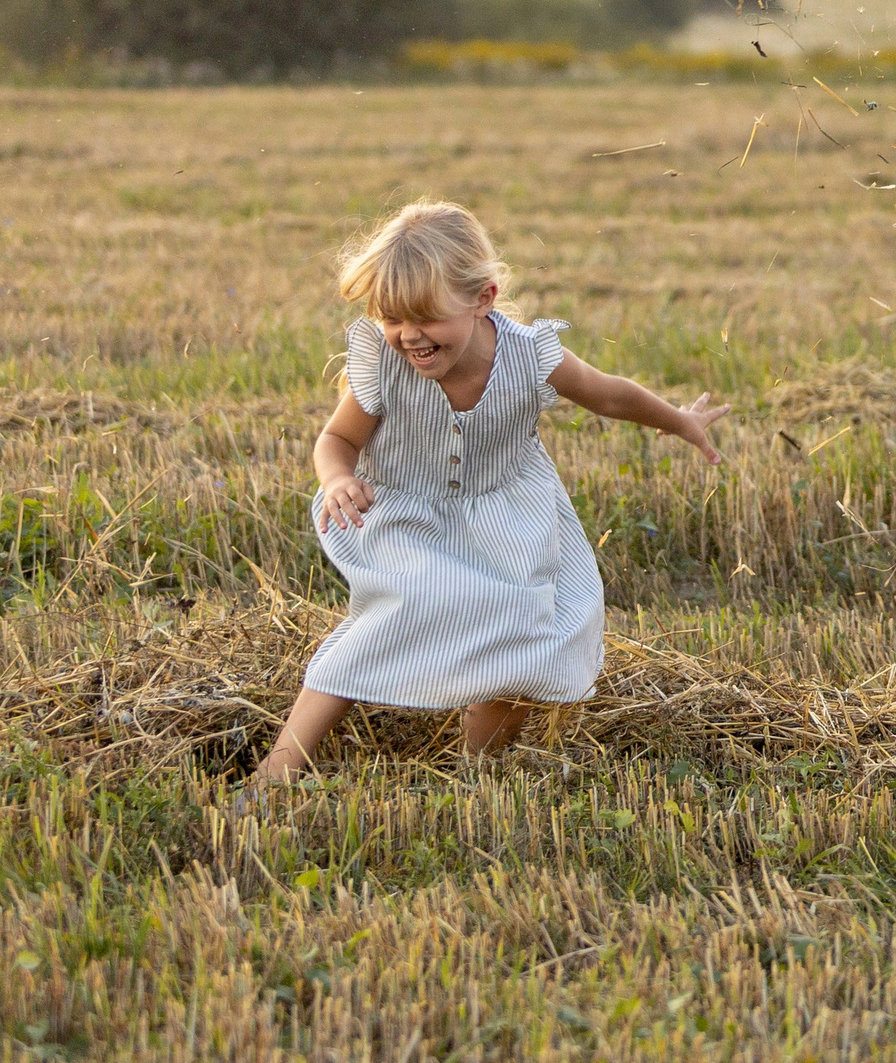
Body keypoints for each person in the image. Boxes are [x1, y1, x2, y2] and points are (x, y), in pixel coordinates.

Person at [250, 200, 728, 785]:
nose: (408, 336)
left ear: (484, 299)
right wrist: (337, 477)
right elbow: (337, 438)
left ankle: (478, 775)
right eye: (391, 319)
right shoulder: (384, 363)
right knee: (398, 613)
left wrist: (679, 420)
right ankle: (277, 771)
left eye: (424, 317)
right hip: (404, 512)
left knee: (526, 633)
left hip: (509, 514)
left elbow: (607, 394)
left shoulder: (529, 354)